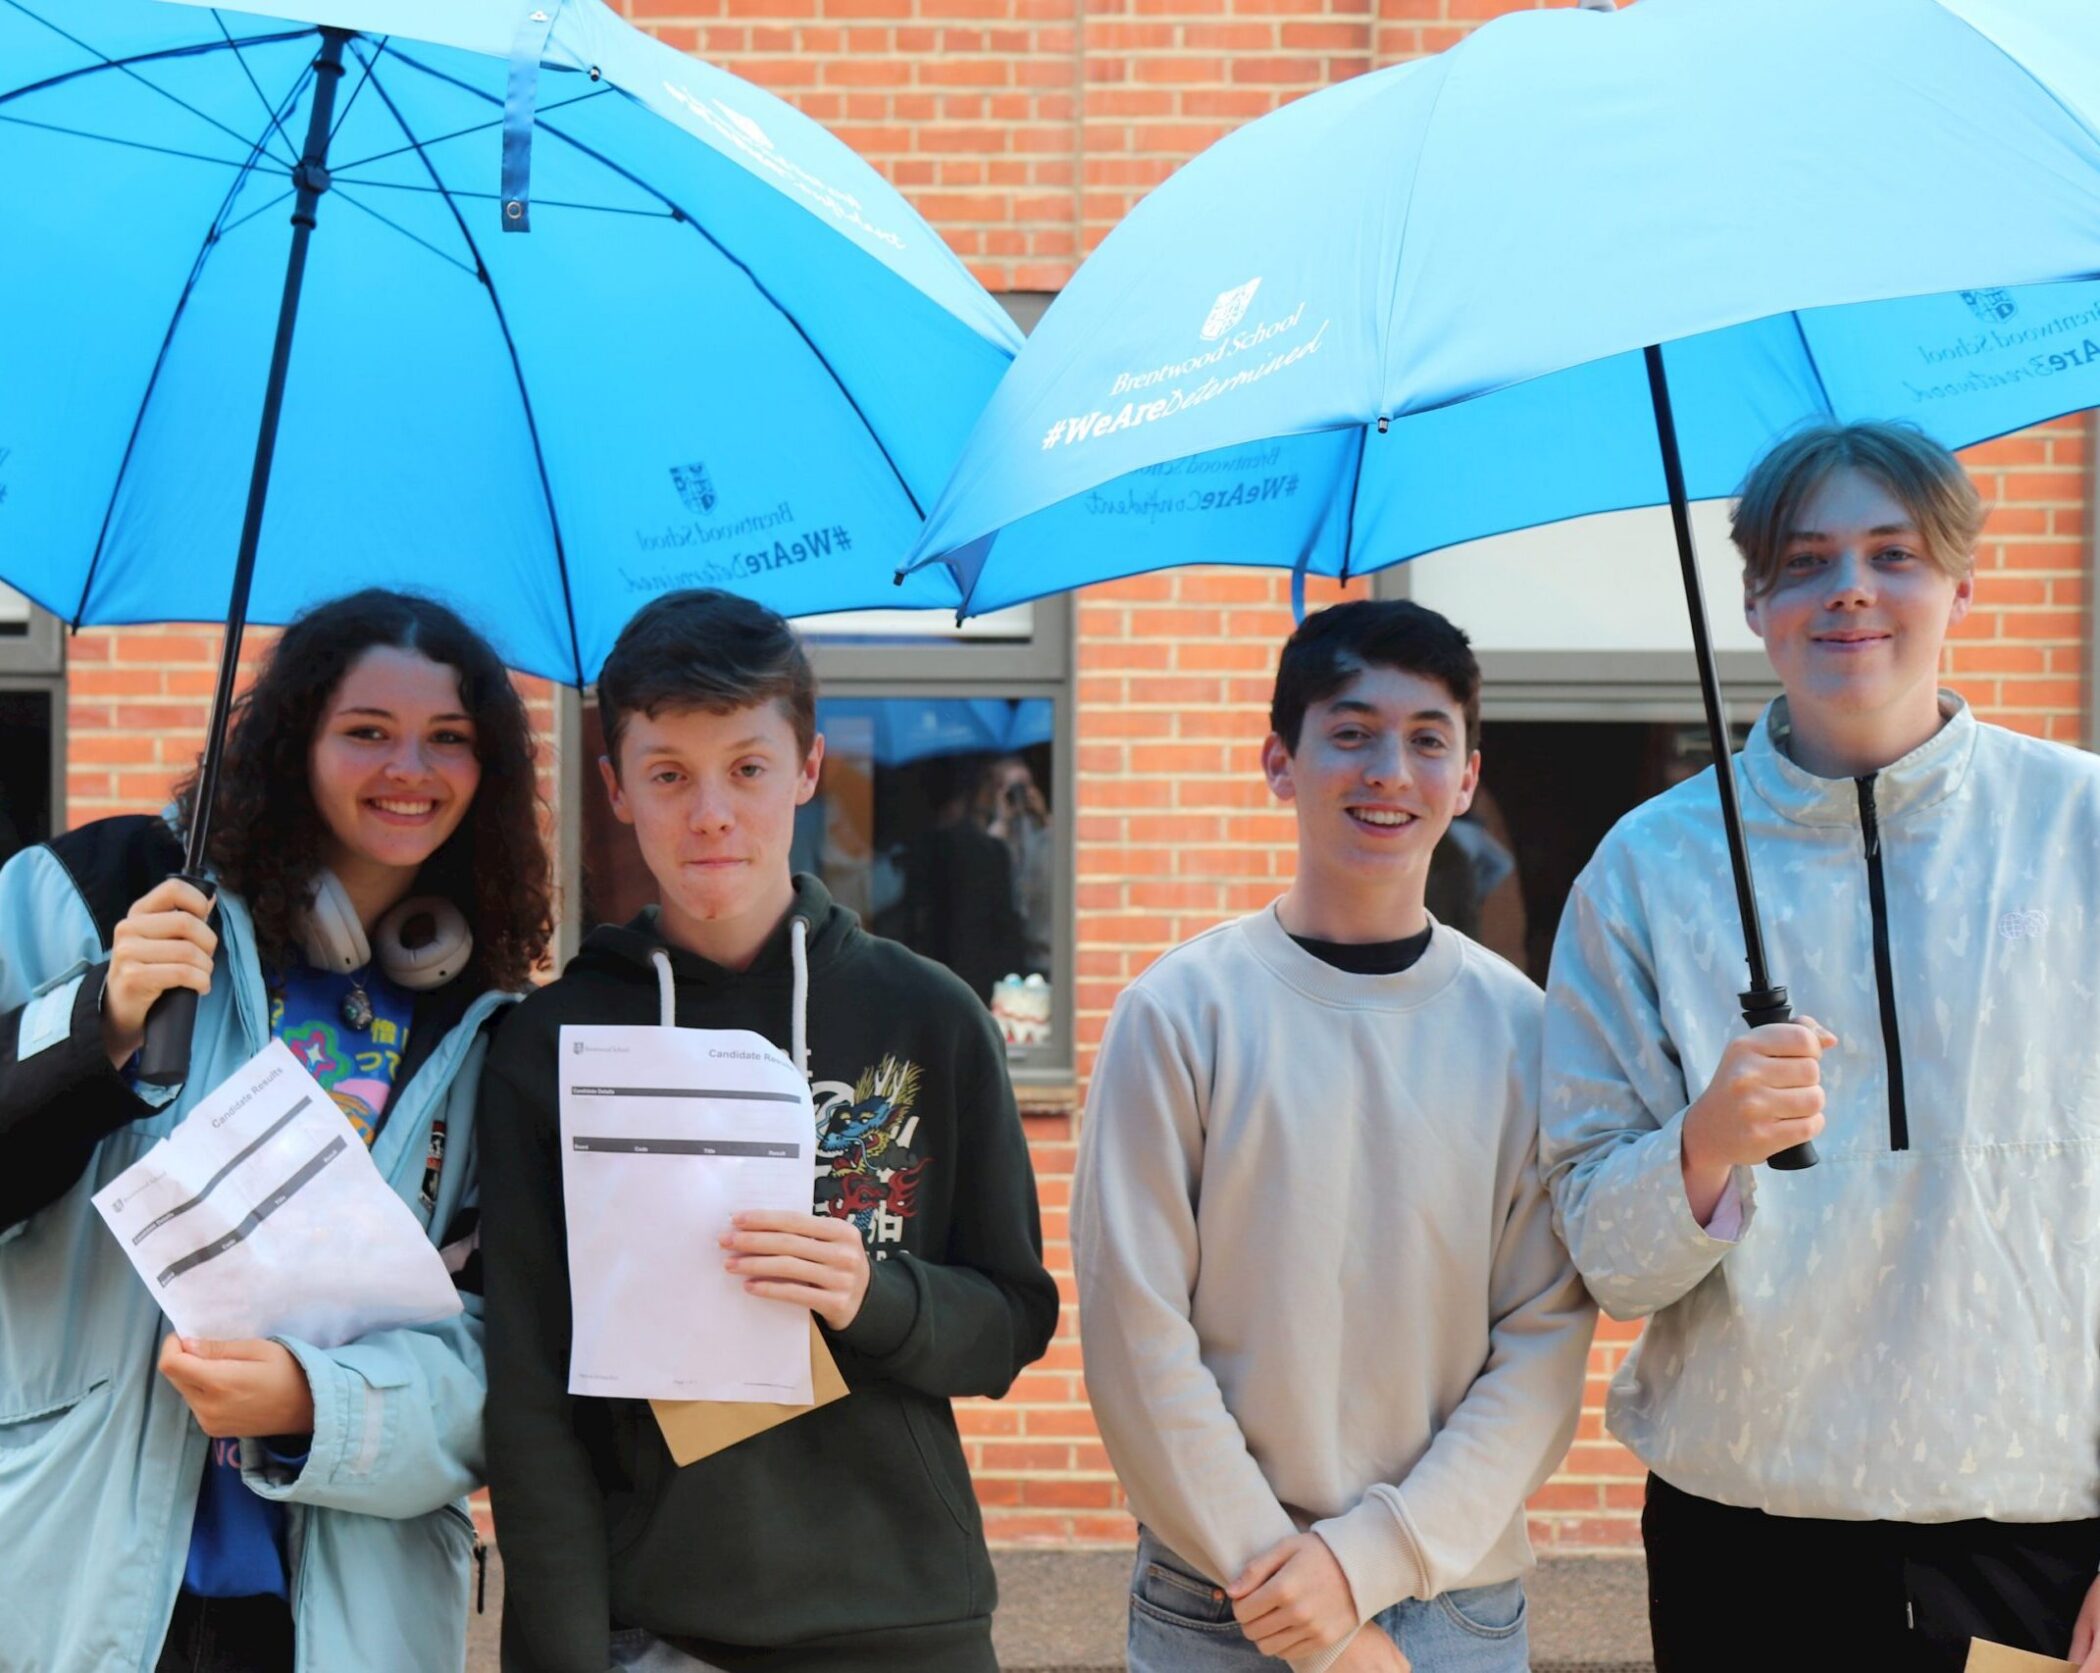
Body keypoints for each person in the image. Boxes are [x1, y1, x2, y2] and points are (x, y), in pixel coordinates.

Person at [1541, 421, 2100, 1672]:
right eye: (1806, 559)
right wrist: (1704, 1145)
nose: (1849, 586)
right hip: (1751, 1544)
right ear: (1752, 599)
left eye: (1893, 551)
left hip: (2041, 1538)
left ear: (1963, 580)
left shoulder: (2082, 831)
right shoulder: (1646, 873)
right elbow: (1603, 1251)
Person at [478, 587, 1060, 1673]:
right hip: (658, 1625)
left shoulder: (928, 1016)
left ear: (807, 769)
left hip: (905, 1615)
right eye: (668, 774)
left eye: (747, 767)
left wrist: (872, 1295)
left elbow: (1012, 1321)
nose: (711, 812)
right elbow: (529, 1397)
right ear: (615, 788)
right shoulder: (550, 1045)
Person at [0, 588, 552, 1672]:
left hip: (340, 1610)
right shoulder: (95, 896)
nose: (412, 767)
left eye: (450, 738)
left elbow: (499, 1359)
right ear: (292, 739)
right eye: (366, 731)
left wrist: (319, 1405)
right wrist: (94, 1025)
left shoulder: (487, 1023)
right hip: (70, 1568)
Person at [1074, 598, 1595, 1673]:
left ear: (1465, 777)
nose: (1388, 770)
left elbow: (1542, 1339)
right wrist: (1296, 1585)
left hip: (1451, 1596)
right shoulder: (1179, 1012)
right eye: (1350, 732)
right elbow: (1137, 1331)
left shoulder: (1527, 1032)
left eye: (1425, 740)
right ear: (1281, 761)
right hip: (1222, 1595)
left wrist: (1368, 1563)